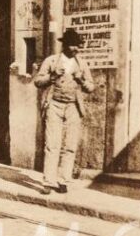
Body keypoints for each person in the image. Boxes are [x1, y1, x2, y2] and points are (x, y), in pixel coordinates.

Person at [34, 28, 96, 194]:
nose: (76, 49)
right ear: (65, 45)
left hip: (73, 107)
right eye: (73, 45)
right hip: (54, 105)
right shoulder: (52, 61)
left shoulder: (81, 64)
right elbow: (38, 82)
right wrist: (52, 77)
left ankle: (63, 181)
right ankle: (48, 182)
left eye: (78, 46)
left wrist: (81, 80)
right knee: (52, 145)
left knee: (70, 146)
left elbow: (91, 87)